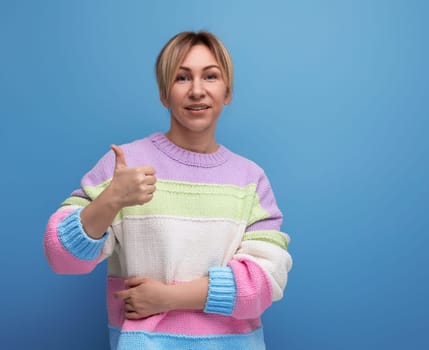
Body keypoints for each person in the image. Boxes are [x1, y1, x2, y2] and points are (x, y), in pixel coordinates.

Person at [43, 31, 292, 350]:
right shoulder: (124, 166)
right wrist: (111, 199)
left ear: (227, 91)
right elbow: (61, 258)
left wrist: (168, 298)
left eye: (211, 76)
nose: (197, 91)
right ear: (164, 93)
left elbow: (263, 283)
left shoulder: (250, 180)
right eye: (182, 78)